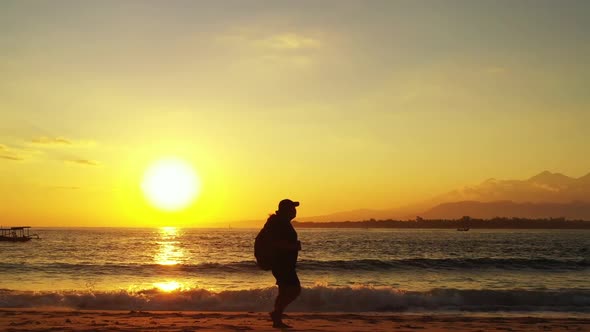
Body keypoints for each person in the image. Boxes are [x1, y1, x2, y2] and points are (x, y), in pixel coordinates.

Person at [264, 199, 302, 328]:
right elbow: (276, 242)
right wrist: (293, 247)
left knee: (284, 291)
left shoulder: (281, 222)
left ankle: (277, 319)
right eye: (292, 208)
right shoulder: (279, 223)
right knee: (294, 290)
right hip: (282, 264)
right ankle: (276, 314)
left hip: (283, 263)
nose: (295, 211)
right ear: (286, 210)